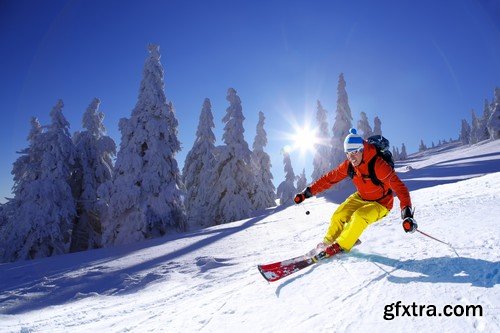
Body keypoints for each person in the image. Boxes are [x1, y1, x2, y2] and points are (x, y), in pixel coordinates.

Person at [294, 128, 416, 258]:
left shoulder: (378, 165)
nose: (351, 157)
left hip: (381, 203)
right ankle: (327, 242)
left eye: (355, 152)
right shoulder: (349, 165)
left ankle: (341, 245)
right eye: (348, 153)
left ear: (362, 149)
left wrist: (407, 212)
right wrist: (307, 192)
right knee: (339, 214)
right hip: (361, 197)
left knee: (359, 216)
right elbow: (329, 179)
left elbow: (400, 188)